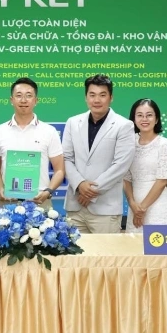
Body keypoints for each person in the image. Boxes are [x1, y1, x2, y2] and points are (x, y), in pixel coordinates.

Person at [61, 74, 136, 233]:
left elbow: (121, 165)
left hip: (105, 209)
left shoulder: (124, 125)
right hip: (75, 206)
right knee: (73, 250)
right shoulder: (73, 122)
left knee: (106, 251)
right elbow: (66, 158)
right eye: (92, 95)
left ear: (111, 97)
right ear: (86, 97)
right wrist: (80, 184)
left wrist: (90, 193)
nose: (97, 100)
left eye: (102, 95)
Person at [0, 77, 65, 208]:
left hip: (40, 202)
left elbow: (59, 170)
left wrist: (48, 191)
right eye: (18, 95)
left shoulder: (49, 131)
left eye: (29, 96)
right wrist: (0, 188)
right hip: (8, 202)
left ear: (36, 101)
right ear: (11, 100)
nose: (23, 100)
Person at [123, 98, 167, 228]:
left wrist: (142, 209)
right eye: (140, 115)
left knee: (157, 240)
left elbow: (162, 180)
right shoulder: (128, 143)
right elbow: (125, 177)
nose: (144, 119)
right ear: (134, 119)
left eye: (149, 115)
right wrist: (132, 203)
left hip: (157, 206)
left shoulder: (165, 143)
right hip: (134, 206)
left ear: (156, 119)